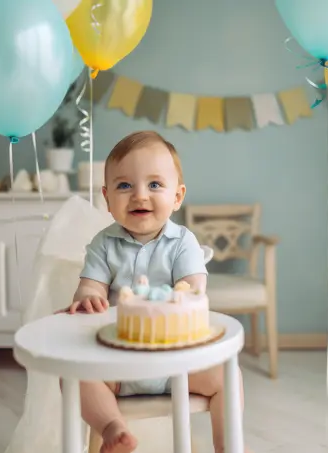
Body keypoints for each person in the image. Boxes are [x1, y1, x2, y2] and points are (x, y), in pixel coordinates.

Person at [59, 130, 248, 453]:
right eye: (124, 185)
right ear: (107, 198)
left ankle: (228, 447)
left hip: (178, 365)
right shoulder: (103, 245)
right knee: (73, 377)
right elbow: (90, 286)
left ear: (177, 196)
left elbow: (193, 287)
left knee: (228, 377)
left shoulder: (182, 242)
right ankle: (112, 428)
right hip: (117, 363)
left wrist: (186, 291)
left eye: (155, 184)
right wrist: (88, 297)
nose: (140, 195)